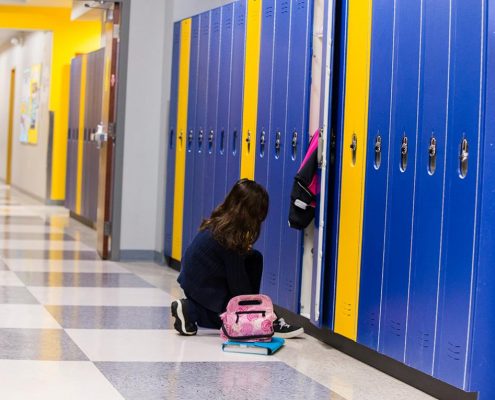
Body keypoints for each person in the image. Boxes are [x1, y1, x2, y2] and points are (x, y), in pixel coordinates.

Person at [171, 178, 304, 339]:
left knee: (254, 258)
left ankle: (250, 314)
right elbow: (239, 289)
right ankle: (191, 310)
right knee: (228, 320)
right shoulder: (228, 239)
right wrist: (266, 315)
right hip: (202, 289)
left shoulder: (221, 225)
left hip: (198, 284)